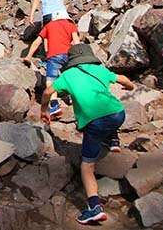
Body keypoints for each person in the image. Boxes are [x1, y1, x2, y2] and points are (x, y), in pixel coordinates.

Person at [40, 44, 134, 226]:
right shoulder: (99, 70)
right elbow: (122, 78)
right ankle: (113, 140)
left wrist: (44, 109)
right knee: (108, 113)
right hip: (118, 115)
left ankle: (94, 208)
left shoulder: (67, 76)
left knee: (87, 166)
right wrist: (130, 87)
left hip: (95, 123)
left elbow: (47, 91)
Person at [22, 17, 81, 118]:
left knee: (51, 80)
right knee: (71, 77)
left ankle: (54, 105)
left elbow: (37, 41)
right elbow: (77, 42)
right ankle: (76, 99)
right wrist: (80, 56)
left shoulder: (49, 25)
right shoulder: (70, 24)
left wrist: (29, 56)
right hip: (68, 54)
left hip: (54, 56)